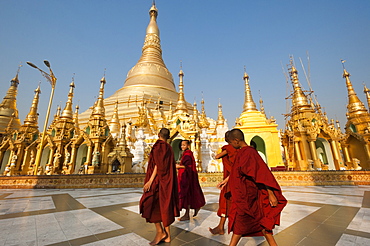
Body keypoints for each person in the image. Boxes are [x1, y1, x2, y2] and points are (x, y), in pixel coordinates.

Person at [227, 129, 287, 246]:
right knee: (261, 223)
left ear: (236, 140)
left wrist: (270, 193)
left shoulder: (249, 153)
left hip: (249, 196)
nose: (230, 145)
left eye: (231, 143)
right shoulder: (242, 153)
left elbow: (262, 174)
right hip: (243, 194)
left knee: (243, 222)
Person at [139, 128, 180, 245]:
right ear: (169, 137)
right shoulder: (169, 148)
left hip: (157, 181)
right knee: (164, 206)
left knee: (149, 204)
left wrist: (150, 181)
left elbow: (158, 164)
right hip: (166, 181)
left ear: (158, 135)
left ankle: (160, 231)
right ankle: (167, 236)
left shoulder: (158, 146)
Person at [209, 131, 237, 235]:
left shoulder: (228, 148)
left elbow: (217, 156)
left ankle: (222, 227)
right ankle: (220, 226)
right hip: (232, 179)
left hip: (230, 180)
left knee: (226, 202)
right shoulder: (237, 149)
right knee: (227, 202)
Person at [176, 140, 205, 221]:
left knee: (186, 194)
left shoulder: (188, 154)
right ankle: (196, 207)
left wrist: (178, 166)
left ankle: (187, 214)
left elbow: (187, 166)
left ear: (188, 146)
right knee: (189, 193)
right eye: (181, 145)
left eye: (184, 145)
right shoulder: (186, 153)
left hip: (186, 177)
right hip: (186, 176)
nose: (182, 147)